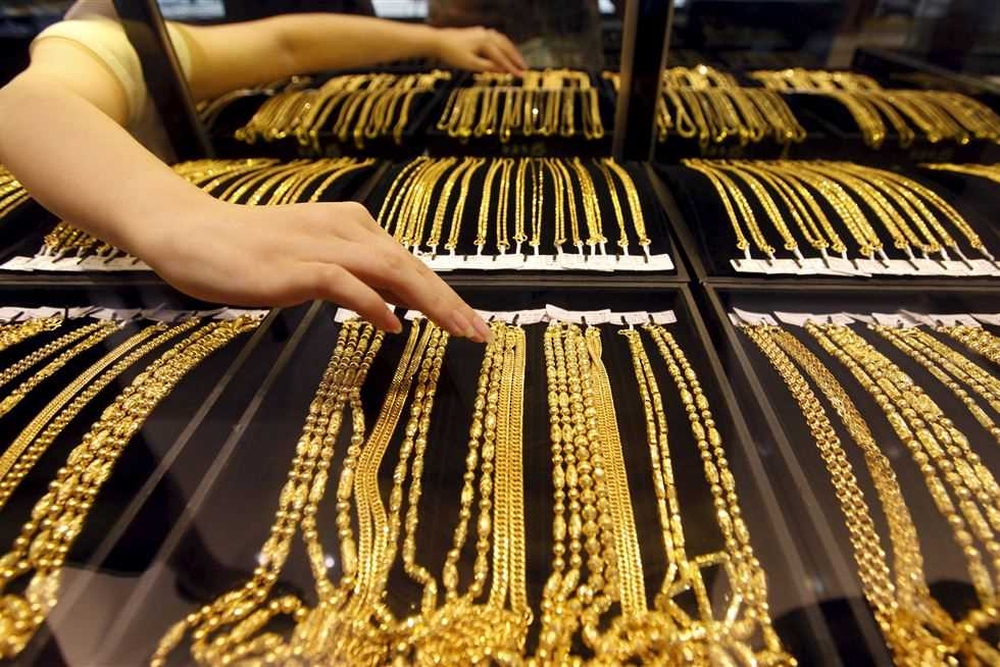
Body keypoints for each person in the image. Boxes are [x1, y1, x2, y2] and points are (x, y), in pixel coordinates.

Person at [0, 2, 526, 342]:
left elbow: (284, 44)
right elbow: (28, 103)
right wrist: (183, 220)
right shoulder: (99, 36)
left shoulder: (144, 36)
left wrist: (435, 43)